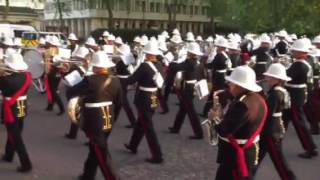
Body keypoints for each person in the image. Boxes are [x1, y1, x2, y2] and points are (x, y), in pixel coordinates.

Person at [67, 51, 122, 180]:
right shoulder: (115, 80)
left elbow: (71, 93)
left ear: (95, 67)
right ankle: (88, 174)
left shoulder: (89, 80)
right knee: (94, 149)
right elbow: (119, 104)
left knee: (101, 153)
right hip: (109, 119)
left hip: (94, 121)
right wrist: (113, 119)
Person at [209, 65, 268, 180]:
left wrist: (215, 117)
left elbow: (224, 131)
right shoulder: (258, 98)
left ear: (239, 86)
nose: (229, 85)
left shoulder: (242, 105)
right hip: (250, 149)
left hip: (234, 154)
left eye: (231, 83)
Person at [124, 39, 164, 164]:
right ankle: (133, 145)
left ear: (148, 54)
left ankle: (157, 155)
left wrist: (119, 80)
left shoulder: (145, 65)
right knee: (141, 123)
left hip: (144, 98)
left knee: (148, 127)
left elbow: (132, 80)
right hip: (153, 97)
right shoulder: (159, 65)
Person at [254, 63, 296, 180]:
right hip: (274, 128)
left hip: (270, 131)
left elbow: (266, 112)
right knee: (256, 159)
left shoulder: (275, 94)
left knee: (279, 161)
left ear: (278, 79)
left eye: (270, 77)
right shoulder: (280, 91)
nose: (267, 79)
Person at [284, 39, 318, 158]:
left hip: (295, 96)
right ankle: (272, 142)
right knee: (282, 120)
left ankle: (310, 147)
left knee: (300, 124)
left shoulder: (299, 64)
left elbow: (287, 76)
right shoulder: (305, 62)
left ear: (301, 52)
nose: (293, 52)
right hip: (297, 94)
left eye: (296, 50)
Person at [0, 53, 33, 173]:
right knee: (15, 132)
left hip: (11, 109)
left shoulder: (6, 80)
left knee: (16, 137)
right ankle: (9, 155)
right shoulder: (27, 76)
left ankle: (26, 163)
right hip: (21, 107)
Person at [168, 42, 205, 139]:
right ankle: (176, 127)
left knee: (191, 111)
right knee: (183, 109)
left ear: (189, 53)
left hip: (187, 87)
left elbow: (177, 67)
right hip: (193, 86)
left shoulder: (189, 62)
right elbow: (202, 76)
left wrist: (171, 62)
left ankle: (199, 133)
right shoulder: (199, 63)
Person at [43, 36, 65, 115]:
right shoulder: (61, 50)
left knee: (53, 91)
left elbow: (46, 63)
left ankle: (61, 108)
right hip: (59, 72)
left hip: (52, 72)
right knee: (53, 90)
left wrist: (46, 72)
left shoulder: (48, 51)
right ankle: (50, 106)